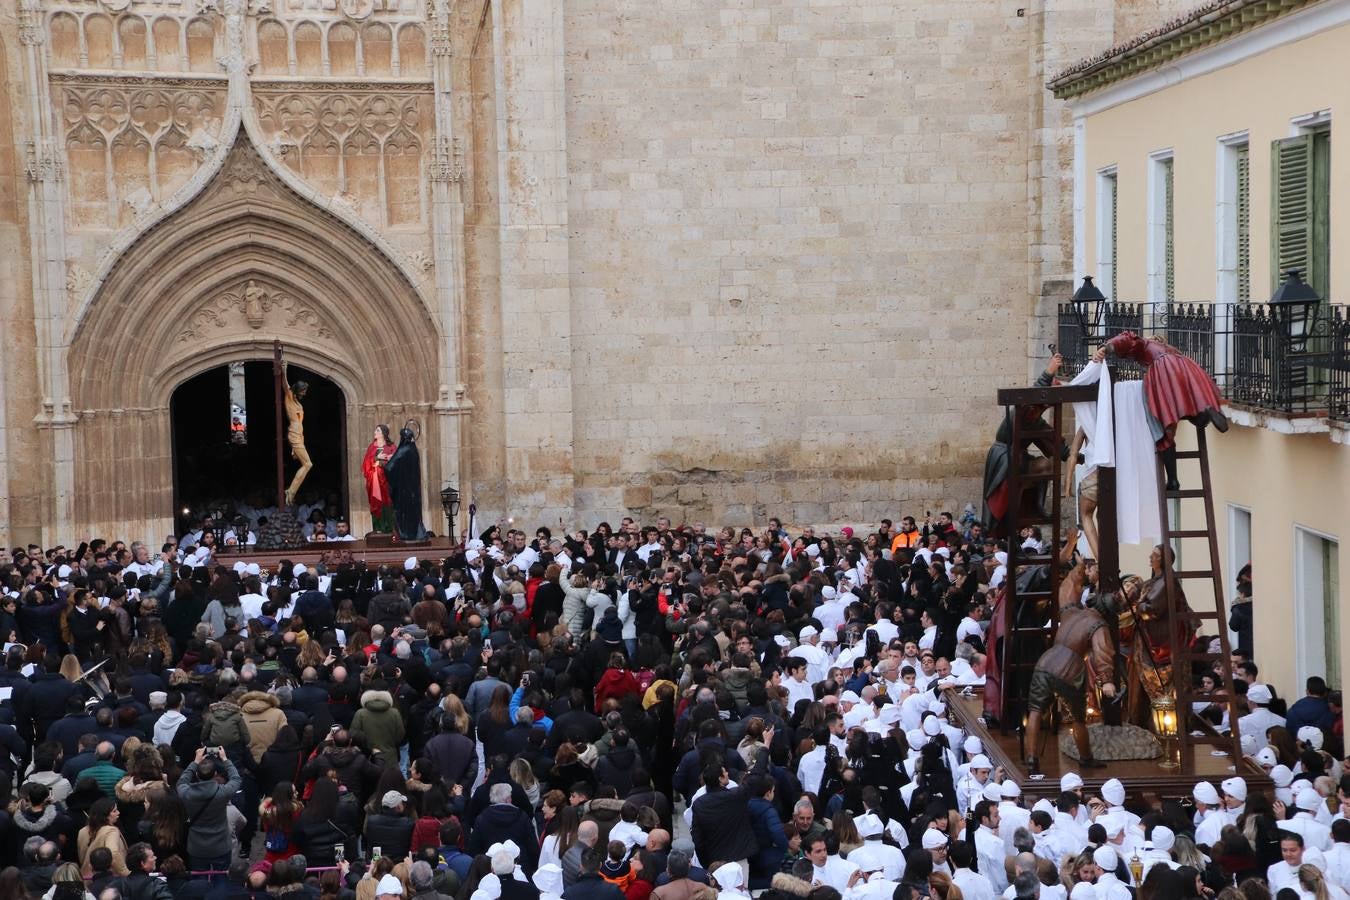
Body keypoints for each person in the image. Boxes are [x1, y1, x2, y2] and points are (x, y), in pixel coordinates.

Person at [1023, 552, 1114, 772]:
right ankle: (1085, 757)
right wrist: (1107, 680)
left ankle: (1032, 760)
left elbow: (1068, 587)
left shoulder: (1072, 611)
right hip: (1069, 670)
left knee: (1035, 711)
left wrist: (1080, 569)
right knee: (1078, 718)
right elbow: (1103, 653)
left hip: (1046, 662)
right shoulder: (1099, 625)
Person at [175, 746, 241, 873]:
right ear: (215, 774)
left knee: (199, 879)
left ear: (196, 774)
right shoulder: (222, 793)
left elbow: (182, 781)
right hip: (220, 844)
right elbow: (236, 779)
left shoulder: (186, 793)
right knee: (221, 878)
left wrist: (195, 762)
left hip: (197, 846)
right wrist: (225, 759)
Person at [384, 423, 428, 541]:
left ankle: (406, 534)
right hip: (414, 491)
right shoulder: (414, 450)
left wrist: (385, 463)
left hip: (403, 491)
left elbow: (389, 468)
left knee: (403, 514)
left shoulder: (403, 450)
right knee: (414, 513)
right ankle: (417, 533)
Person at [282, 366, 311, 506]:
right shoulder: (289, 398)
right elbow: (285, 384)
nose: (304, 393)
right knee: (308, 464)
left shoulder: (297, 402)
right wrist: (283, 369)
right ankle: (291, 491)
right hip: (294, 433)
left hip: (298, 434)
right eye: (303, 390)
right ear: (298, 389)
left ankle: (292, 491)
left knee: (306, 464)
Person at [364, 424, 396, 534]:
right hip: (374, 479)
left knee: (387, 502)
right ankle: (377, 527)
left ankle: (388, 528)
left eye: (377, 430)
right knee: (376, 502)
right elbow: (366, 463)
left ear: (383, 433)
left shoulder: (391, 447)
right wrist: (377, 458)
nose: (375, 432)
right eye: (375, 430)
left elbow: (397, 460)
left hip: (386, 479)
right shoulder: (372, 447)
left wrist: (387, 459)